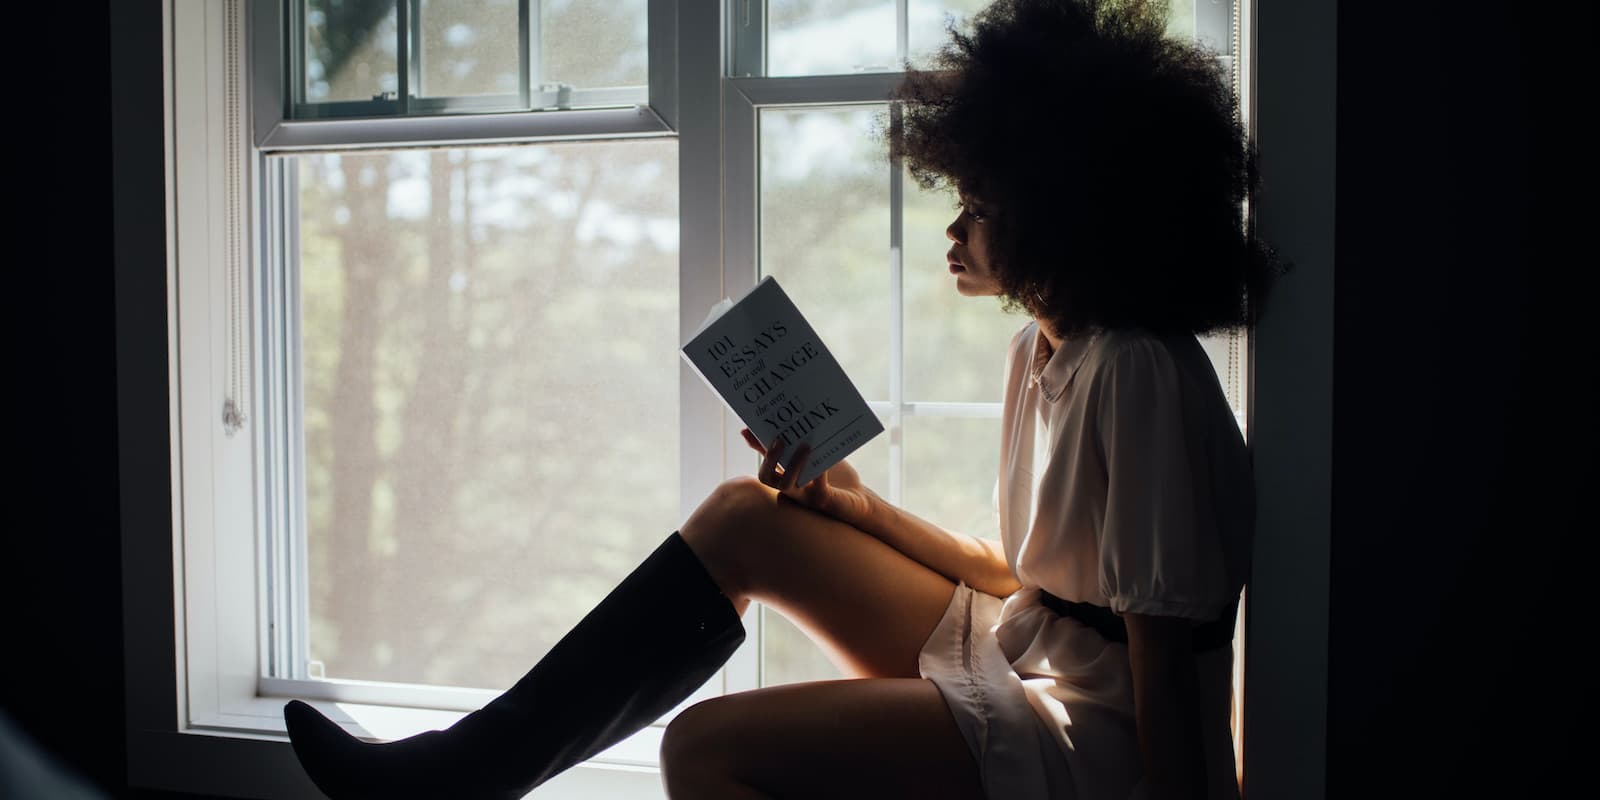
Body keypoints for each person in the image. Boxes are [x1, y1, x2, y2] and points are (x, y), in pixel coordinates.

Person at [282, 0, 1283, 797]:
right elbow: (1014, 571)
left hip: (1099, 740)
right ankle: (465, 770)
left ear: (1063, 216)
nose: (955, 230)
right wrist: (854, 509)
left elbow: (1163, 640)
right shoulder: (1042, 352)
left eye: (979, 208)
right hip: (1028, 646)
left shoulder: (1137, 369)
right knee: (742, 517)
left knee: (705, 747)